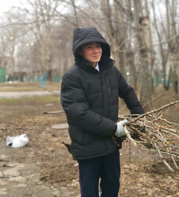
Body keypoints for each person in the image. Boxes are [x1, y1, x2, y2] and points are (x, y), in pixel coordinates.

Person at [60, 27, 144, 197]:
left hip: (111, 145)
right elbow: (79, 114)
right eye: (89, 47)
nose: (95, 51)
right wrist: (114, 128)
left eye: (98, 46)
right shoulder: (72, 77)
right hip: (88, 148)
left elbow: (126, 91)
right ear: (80, 50)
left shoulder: (110, 70)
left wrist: (139, 116)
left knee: (112, 190)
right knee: (90, 193)